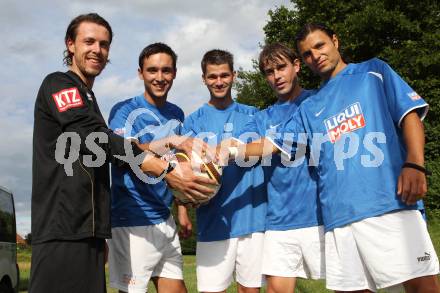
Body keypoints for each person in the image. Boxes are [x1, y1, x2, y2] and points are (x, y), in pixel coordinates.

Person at [226, 23, 440, 292]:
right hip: (338, 219)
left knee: (422, 286)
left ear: (335, 42)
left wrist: (414, 163)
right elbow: (271, 145)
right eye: (307, 53)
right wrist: (226, 151)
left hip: (389, 204)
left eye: (320, 46)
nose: (315, 55)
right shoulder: (309, 107)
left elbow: (409, 115)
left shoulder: (372, 71)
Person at [30, 13, 214, 293]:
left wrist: (171, 144)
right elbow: (99, 139)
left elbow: (111, 149)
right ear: (70, 44)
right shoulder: (59, 83)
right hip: (62, 230)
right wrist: (166, 171)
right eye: (89, 41)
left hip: (89, 231)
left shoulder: (88, 98)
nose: (97, 50)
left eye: (104, 44)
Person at [107, 43, 193, 293]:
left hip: (163, 218)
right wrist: (165, 141)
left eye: (166, 70)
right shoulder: (124, 110)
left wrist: (183, 210)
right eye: (152, 70)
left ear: (174, 73)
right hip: (132, 218)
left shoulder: (176, 113)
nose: (159, 77)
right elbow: (122, 152)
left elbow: (177, 162)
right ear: (140, 73)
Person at [239, 43, 325, 293]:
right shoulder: (262, 118)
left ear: (296, 66)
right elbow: (242, 144)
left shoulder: (318, 102)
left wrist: (230, 151)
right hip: (278, 222)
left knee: (353, 288)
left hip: (322, 216)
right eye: (269, 71)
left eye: (281, 67)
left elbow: (257, 148)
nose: (276, 76)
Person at [182, 49, 267, 293]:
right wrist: (184, 205)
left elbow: (265, 149)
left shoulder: (254, 114)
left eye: (224, 75)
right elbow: (184, 171)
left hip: (252, 219)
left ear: (234, 75)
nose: (219, 82)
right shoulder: (193, 121)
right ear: (203, 78)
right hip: (213, 222)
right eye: (212, 76)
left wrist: (230, 150)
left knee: (250, 290)